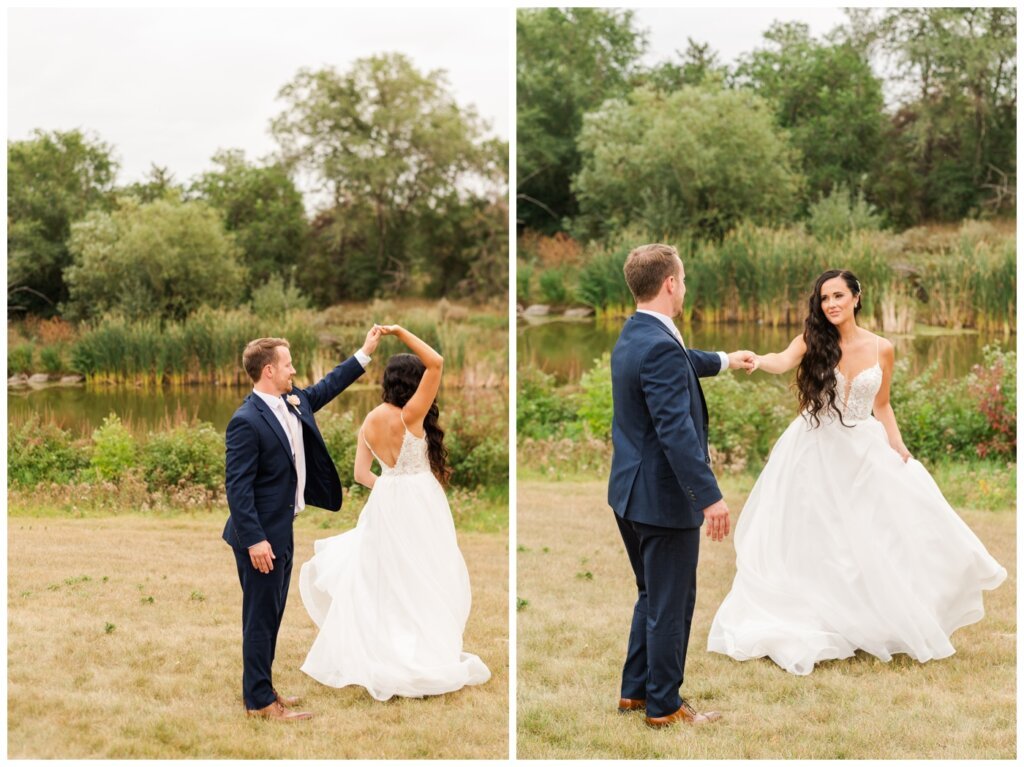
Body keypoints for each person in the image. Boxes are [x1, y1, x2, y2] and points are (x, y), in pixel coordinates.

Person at [707, 269, 1007, 675]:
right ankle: (816, 617)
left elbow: (881, 405)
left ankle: (870, 619)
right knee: (815, 537)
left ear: (856, 297)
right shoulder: (813, 340)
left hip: (862, 450)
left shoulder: (883, 348)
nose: (831, 304)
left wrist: (898, 448)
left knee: (872, 536)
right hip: (813, 448)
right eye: (824, 298)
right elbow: (781, 362)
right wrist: (758, 360)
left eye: (838, 296)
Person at [299, 324, 491, 700]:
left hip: (385, 502)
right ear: (413, 383)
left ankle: (385, 647)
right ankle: (420, 650)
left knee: (385, 578)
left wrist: (389, 486)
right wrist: (401, 332)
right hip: (421, 501)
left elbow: (359, 475)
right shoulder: (411, 416)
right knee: (425, 572)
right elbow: (436, 362)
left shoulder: (370, 420)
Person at [608, 243, 754, 728]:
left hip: (628, 494)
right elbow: (677, 432)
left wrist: (726, 359)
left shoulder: (635, 334)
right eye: (684, 279)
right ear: (670, 283)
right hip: (662, 499)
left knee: (651, 594)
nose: (685, 286)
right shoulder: (657, 345)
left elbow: (680, 359)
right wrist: (709, 497)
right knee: (672, 603)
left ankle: (634, 692)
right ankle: (665, 705)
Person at [223, 328, 382, 721]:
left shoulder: (293, 402)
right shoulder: (246, 421)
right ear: (268, 370)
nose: (294, 370)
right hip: (259, 536)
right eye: (288, 364)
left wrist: (364, 353)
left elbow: (329, 386)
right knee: (260, 617)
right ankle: (259, 703)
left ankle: (264, 689)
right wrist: (255, 540)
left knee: (272, 613)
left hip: (283, 527)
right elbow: (237, 487)